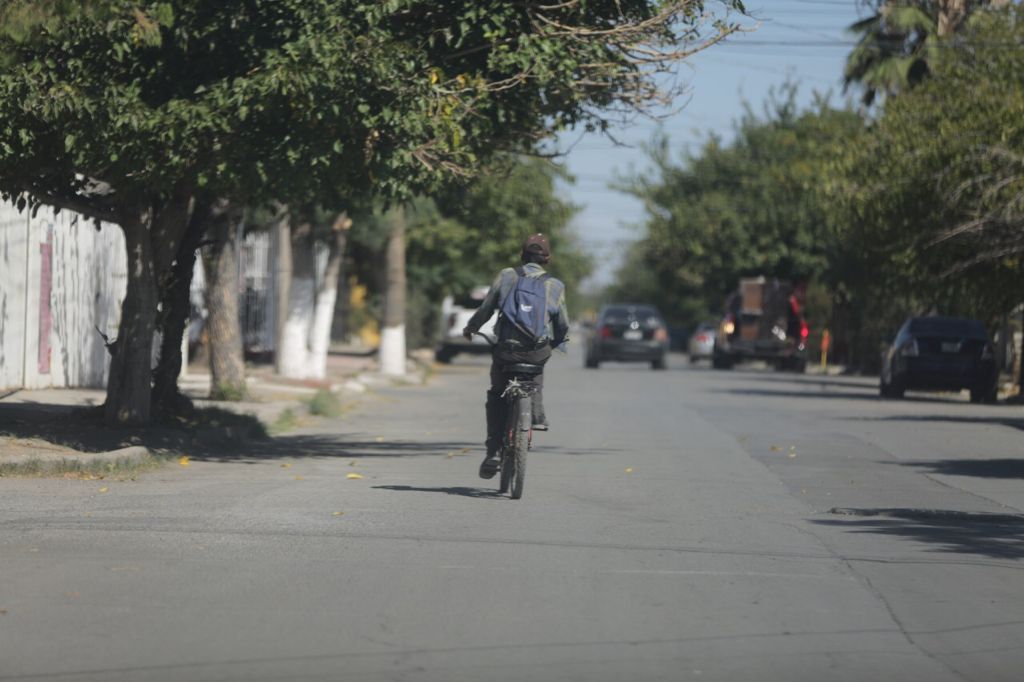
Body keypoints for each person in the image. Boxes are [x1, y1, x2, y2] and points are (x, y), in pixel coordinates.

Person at [462, 234, 569, 479]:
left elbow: (487, 308)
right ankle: (536, 413)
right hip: (535, 352)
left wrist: (471, 327)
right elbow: (562, 323)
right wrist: (557, 342)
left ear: (522, 255)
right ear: (547, 258)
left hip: (507, 351)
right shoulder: (555, 285)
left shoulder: (507, 275)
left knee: (497, 394)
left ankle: (493, 451)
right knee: (539, 364)